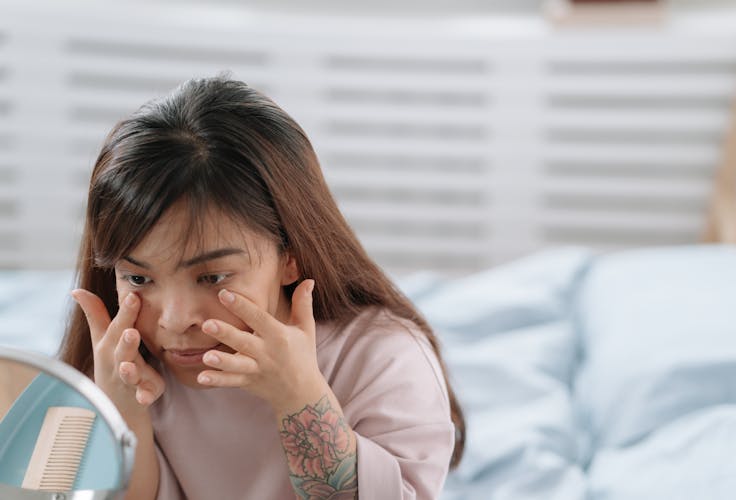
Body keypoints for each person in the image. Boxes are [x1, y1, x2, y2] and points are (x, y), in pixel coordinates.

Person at [58, 75, 465, 500]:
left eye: (212, 277)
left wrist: (298, 397)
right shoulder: (126, 363)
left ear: (292, 256)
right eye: (139, 278)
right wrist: (119, 412)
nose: (175, 320)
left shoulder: (381, 357)